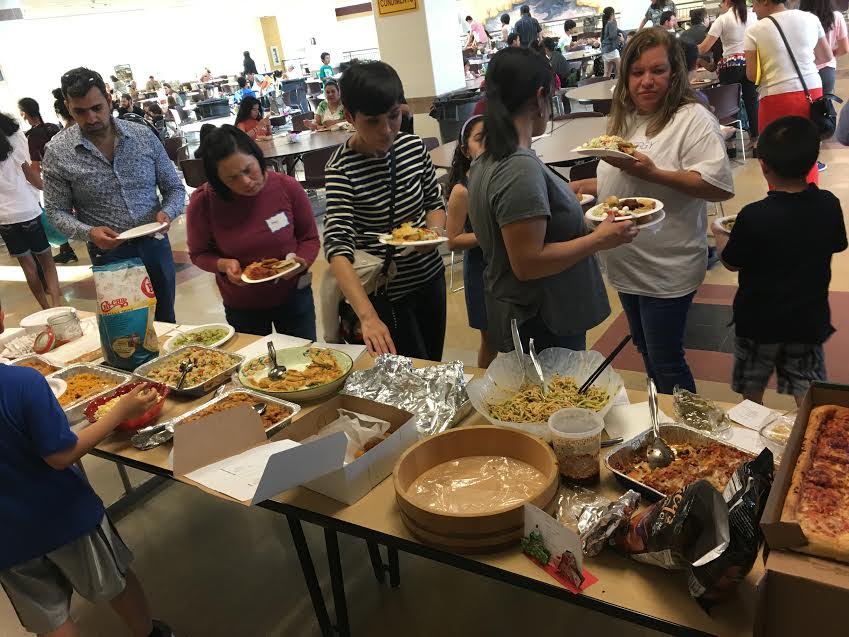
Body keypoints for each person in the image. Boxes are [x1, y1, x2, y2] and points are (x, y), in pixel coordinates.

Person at [467, 47, 637, 353]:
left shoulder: (486, 158)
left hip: (522, 312)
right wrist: (599, 239)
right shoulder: (517, 166)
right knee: (556, 398)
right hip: (542, 320)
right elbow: (528, 262)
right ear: (540, 96)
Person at [592, 28, 734, 394]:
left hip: (666, 267)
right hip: (626, 262)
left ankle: (687, 437)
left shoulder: (692, 119)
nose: (646, 81)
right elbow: (626, 185)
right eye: (637, 72)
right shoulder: (625, 119)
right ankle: (664, 422)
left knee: (667, 358)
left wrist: (653, 172)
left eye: (657, 70)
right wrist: (588, 188)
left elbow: (716, 185)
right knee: (645, 350)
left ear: (675, 73)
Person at [0, 359, 175, 637]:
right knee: (113, 579)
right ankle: (148, 633)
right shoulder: (22, 383)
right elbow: (60, 455)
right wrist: (120, 412)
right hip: (65, 515)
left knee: (49, 616)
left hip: (8, 539)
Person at [716, 116, 846, 406]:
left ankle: (752, 442)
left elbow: (731, 262)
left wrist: (719, 233)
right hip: (807, 321)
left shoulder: (753, 215)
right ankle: (807, 443)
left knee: (751, 394)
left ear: (763, 165)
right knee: (807, 394)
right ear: (813, 162)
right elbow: (837, 244)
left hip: (757, 322)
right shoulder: (828, 204)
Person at [323, 61, 446, 359]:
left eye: (393, 117)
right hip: (386, 292)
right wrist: (366, 316)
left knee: (432, 363)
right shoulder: (341, 168)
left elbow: (434, 203)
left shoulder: (414, 148)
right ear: (350, 117)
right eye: (373, 121)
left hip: (430, 279)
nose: (387, 130)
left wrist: (433, 234)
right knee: (409, 376)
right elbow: (338, 248)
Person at [43, 67, 184, 323]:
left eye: (97, 108)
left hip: (154, 243)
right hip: (109, 253)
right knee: (129, 329)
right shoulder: (58, 152)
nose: (91, 118)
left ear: (109, 100)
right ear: (67, 107)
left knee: (166, 321)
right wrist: (89, 232)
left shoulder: (142, 136)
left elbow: (174, 187)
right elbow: (54, 211)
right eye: (80, 112)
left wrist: (169, 211)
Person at [187, 126, 319, 338]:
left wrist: (301, 260)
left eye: (248, 170)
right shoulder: (204, 202)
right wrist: (223, 265)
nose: (246, 182)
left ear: (258, 158)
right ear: (218, 180)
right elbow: (198, 253)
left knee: (304, 358)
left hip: (294, 294)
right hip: (242, 304)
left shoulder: (287, 187)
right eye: (232, 178)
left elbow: (309, 237)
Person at [745, 0, 832, 185]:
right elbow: (826, 56)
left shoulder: (755, 30)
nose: (752, 9)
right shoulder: (811, 18)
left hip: (775, 95)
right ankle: (811, 197)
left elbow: (752, 75)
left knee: (774, 155)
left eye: (754, 3)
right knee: (807, 151)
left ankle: (781, 203)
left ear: (766, 1)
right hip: (812, 92)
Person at [446, 115, 496, 368]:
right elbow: (452, 239)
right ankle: (484, 387)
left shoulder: (502, 177)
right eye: (479, 139)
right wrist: (491, 233)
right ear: (466, 150)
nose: (487, 144)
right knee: (491, 338)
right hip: (481, 269)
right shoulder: (462, 189)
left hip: (507, 264)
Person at [0, 113, 63, 309]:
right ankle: (57, 305)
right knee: (47, 262)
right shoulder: (16, 156)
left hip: (5, 220)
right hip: (28, 212)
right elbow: (36, 182)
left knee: (28, 268)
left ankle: (45, 308)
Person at [17, 97, 79, 265]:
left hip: (51, 179)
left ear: (23, 114)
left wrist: (34, 184)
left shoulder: (32, 136)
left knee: (55, 216)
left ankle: (68, 248)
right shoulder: (52, 126)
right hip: (70, 174)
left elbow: (36, 165)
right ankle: (67, 251)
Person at [699, 0, 759, 156]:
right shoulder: (753, 15)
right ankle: (756, 142)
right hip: (750, 63)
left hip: (730, 66)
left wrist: (685, 49)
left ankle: (730, 144)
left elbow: (704, 47)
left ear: (727, 2)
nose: (721, 5)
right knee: (752, 102)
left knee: (730, 104)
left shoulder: (723, 19)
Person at [800, 0, 849, 171]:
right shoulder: (836, 17)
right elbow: (844, 48)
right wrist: (829, 55)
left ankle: (804, 155)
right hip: (826, 70)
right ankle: (815, 157)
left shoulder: (801, 18)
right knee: (821, 113)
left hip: (805, 70)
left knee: (805, 110)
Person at [601, 7, 622, 77]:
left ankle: (605, 87)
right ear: (612, 14)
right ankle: (618, 87)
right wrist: (619, 38)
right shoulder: (611, 23)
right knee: (620, 72)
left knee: (607, 73)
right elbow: (612, 36)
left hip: (605, 51)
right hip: (612, 50)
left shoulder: (605, 23)